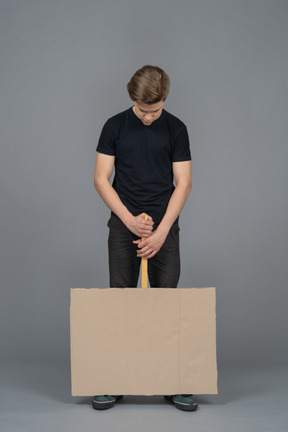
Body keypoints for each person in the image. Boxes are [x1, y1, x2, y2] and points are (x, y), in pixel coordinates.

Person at [93, 65, 197, 412]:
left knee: (167, 303)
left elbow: (182, 182)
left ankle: (173, 381)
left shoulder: (176, 128)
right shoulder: (114, 126)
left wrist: (163, 229)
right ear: (131, 99)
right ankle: (115, 378)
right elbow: (101, 179)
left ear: (165, 98)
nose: (149, 117)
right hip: (124, 224)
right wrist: (129, 220)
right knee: (120, 301)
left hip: (165, 225)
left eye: (155, 110)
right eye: (142, 110)